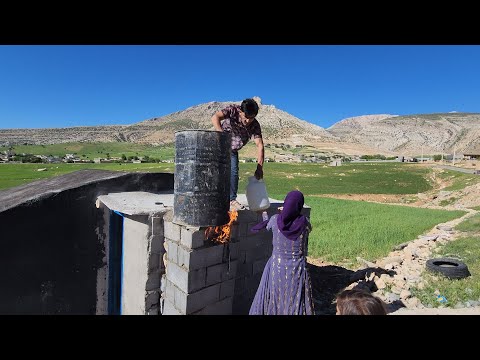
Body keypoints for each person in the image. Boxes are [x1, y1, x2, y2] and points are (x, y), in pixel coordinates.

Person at [249, 190, 314, 315]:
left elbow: (267, 225)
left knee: (274, 298)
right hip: (297, 271)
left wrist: (265, 213)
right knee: (294, 300)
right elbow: (309, 228)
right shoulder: (304, 223)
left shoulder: (275, 220)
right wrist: (288, 213)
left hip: (276, 269)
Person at [211, 98, 264, 211]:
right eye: (246, 117)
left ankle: (231, 200)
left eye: (252, 118)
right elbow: (215, 117)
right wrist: (222, 136)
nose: (249, 121)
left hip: (232, 151)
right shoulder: (232, 110)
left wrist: (259, 167)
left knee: (233, 172)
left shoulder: (255, 125)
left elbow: (259, 145)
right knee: (214, 172)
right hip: (219, 146)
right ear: (241, 111)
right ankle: (211, 197)